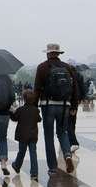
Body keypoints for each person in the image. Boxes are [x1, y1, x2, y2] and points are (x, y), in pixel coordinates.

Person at [33, 43, 79, 174]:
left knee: (48, 136)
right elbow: (75, 88)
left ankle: (53, 167)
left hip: (48, 105)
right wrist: (74, 105)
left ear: (48, 53)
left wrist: (34, 107)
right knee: (62, 133)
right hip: (65, 105)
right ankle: (68, 156)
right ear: (59, 54)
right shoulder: (68, 67)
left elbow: (37, 89)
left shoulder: (42, 67)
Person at [11, 90, 41, 180]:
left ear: (24, 99)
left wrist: (11, 112)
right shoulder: (36, 110)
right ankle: (34, 172)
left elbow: (14, 118)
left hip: (22, 135)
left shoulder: (20, 110)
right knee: (33, 153)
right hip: (32, 135)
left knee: (21, 152)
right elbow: (39, 119)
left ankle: (17, 166)